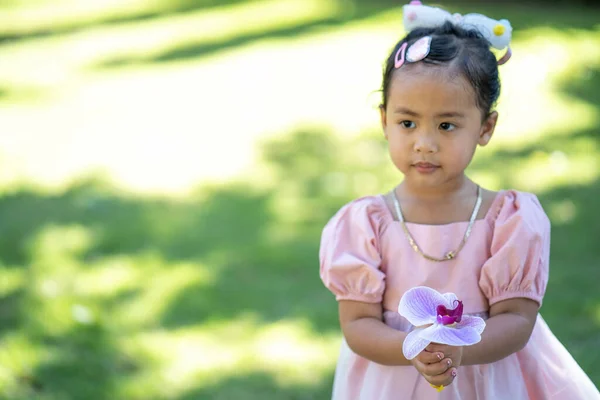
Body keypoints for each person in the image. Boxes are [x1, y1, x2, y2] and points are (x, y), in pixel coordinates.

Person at [318, 2, 600, 399]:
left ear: (486, 127)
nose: (425, 143)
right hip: (395, 382)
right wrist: (411, 348)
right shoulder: (365, 223)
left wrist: (462, 350)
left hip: (488, 380)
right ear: (384, 121)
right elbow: (357, 325)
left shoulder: (508, 220)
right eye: (407, 122)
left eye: (447, 125)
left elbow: (518, 319)